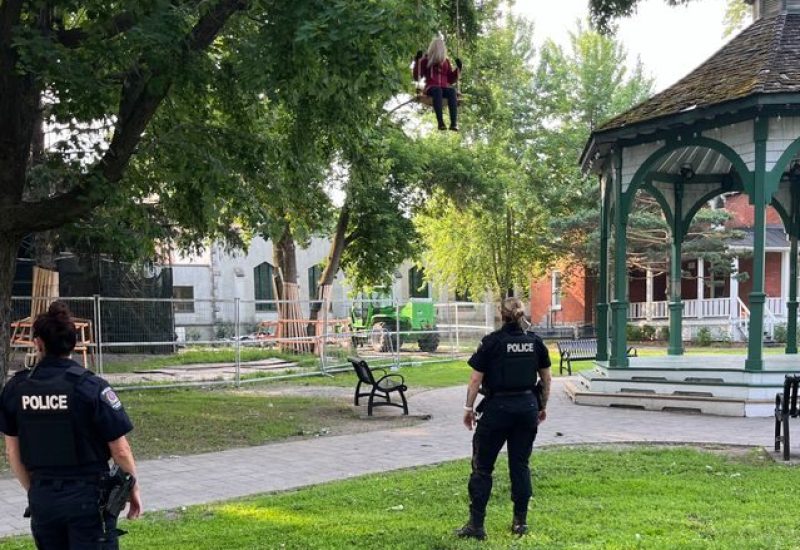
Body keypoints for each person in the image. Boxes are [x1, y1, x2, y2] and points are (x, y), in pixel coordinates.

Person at [0, 302, 142, 549]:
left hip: (43, 497)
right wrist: (132, 489)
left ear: (38, 343)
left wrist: (36, 491)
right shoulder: (91, 387)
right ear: (73, 344)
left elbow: (12, 452)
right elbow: (120, 451)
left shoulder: (17, 389)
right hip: (88, 497)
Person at [456, 297, 551, 541]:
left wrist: (468, 408)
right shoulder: (535, 342)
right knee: (520, 465)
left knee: (483, 468)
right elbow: (546, 379)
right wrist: (542, 405)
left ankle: (476, 525)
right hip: (527, 407)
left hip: (497, 409)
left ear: (502, 314)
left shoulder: (492, 343)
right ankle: (520, 523)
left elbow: (475, 380)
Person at [412, 36, 462, 131]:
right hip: (431, 88)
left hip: (443, 87)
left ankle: (454, 123)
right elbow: (417, 76)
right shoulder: (426, 60)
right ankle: (440, 122)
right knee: (437, 90)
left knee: (452, 91)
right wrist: (417, 61)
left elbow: (450, 79)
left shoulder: (446, 62)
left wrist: (458, 69)